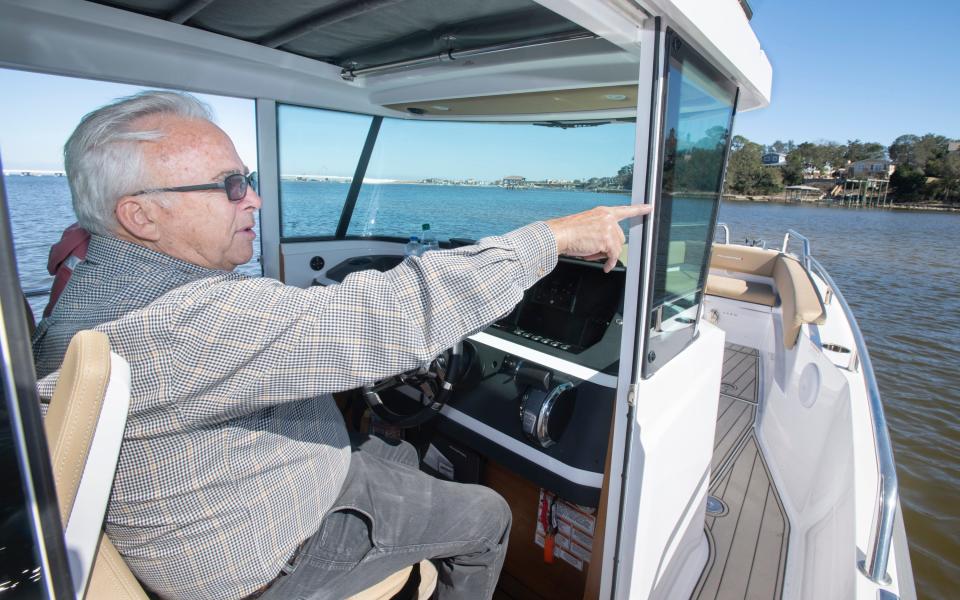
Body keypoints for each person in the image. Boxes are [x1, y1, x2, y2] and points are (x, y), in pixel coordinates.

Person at [32, 91, 651, 600]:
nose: (254, 197)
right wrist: (548, 239)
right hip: (263, 548)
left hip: (220, 494)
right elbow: (385, 318)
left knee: (403, 458)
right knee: (488, 516)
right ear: (141, 216)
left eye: (246, 179)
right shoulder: (186, 320)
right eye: (228, 185)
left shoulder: (84, 285)